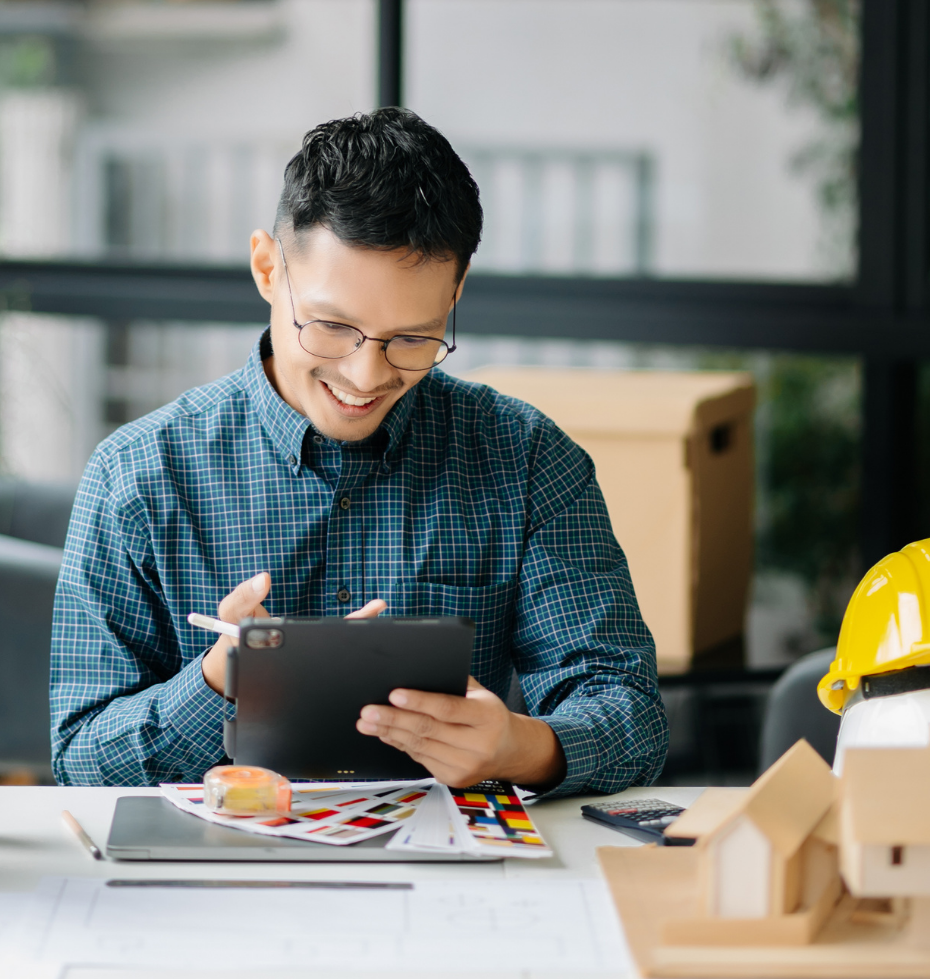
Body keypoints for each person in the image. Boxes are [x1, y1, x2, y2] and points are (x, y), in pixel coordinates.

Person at [51, 108, 667, 793]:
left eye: (412, 338)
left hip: (449, 875)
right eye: (333, 327)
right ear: (266, 270)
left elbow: (631, 716)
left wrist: (521, 747)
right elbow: (80, 759)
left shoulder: (525, 460)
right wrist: (220, 679)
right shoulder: (136, 477)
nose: (366, 376)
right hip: (217, 881)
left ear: (455, 294)